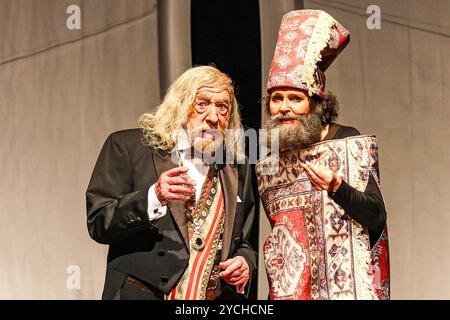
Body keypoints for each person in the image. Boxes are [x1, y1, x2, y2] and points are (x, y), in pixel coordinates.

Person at [86, 66, 257, 300]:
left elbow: (243, 242)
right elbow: (98, 224)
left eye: (222, 107)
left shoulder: (237, 168)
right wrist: (153, 197)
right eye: (202, 104)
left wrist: (245, 262)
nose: (214, 117)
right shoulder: (128, 147)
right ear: (180, 104)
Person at [256, 10, 390, 300]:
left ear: (315, 105)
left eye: (295, 98)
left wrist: (337, 187)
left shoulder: (345, 141)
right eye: (277, 99)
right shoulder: (267, 159)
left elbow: (377, 216)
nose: (284, 107)